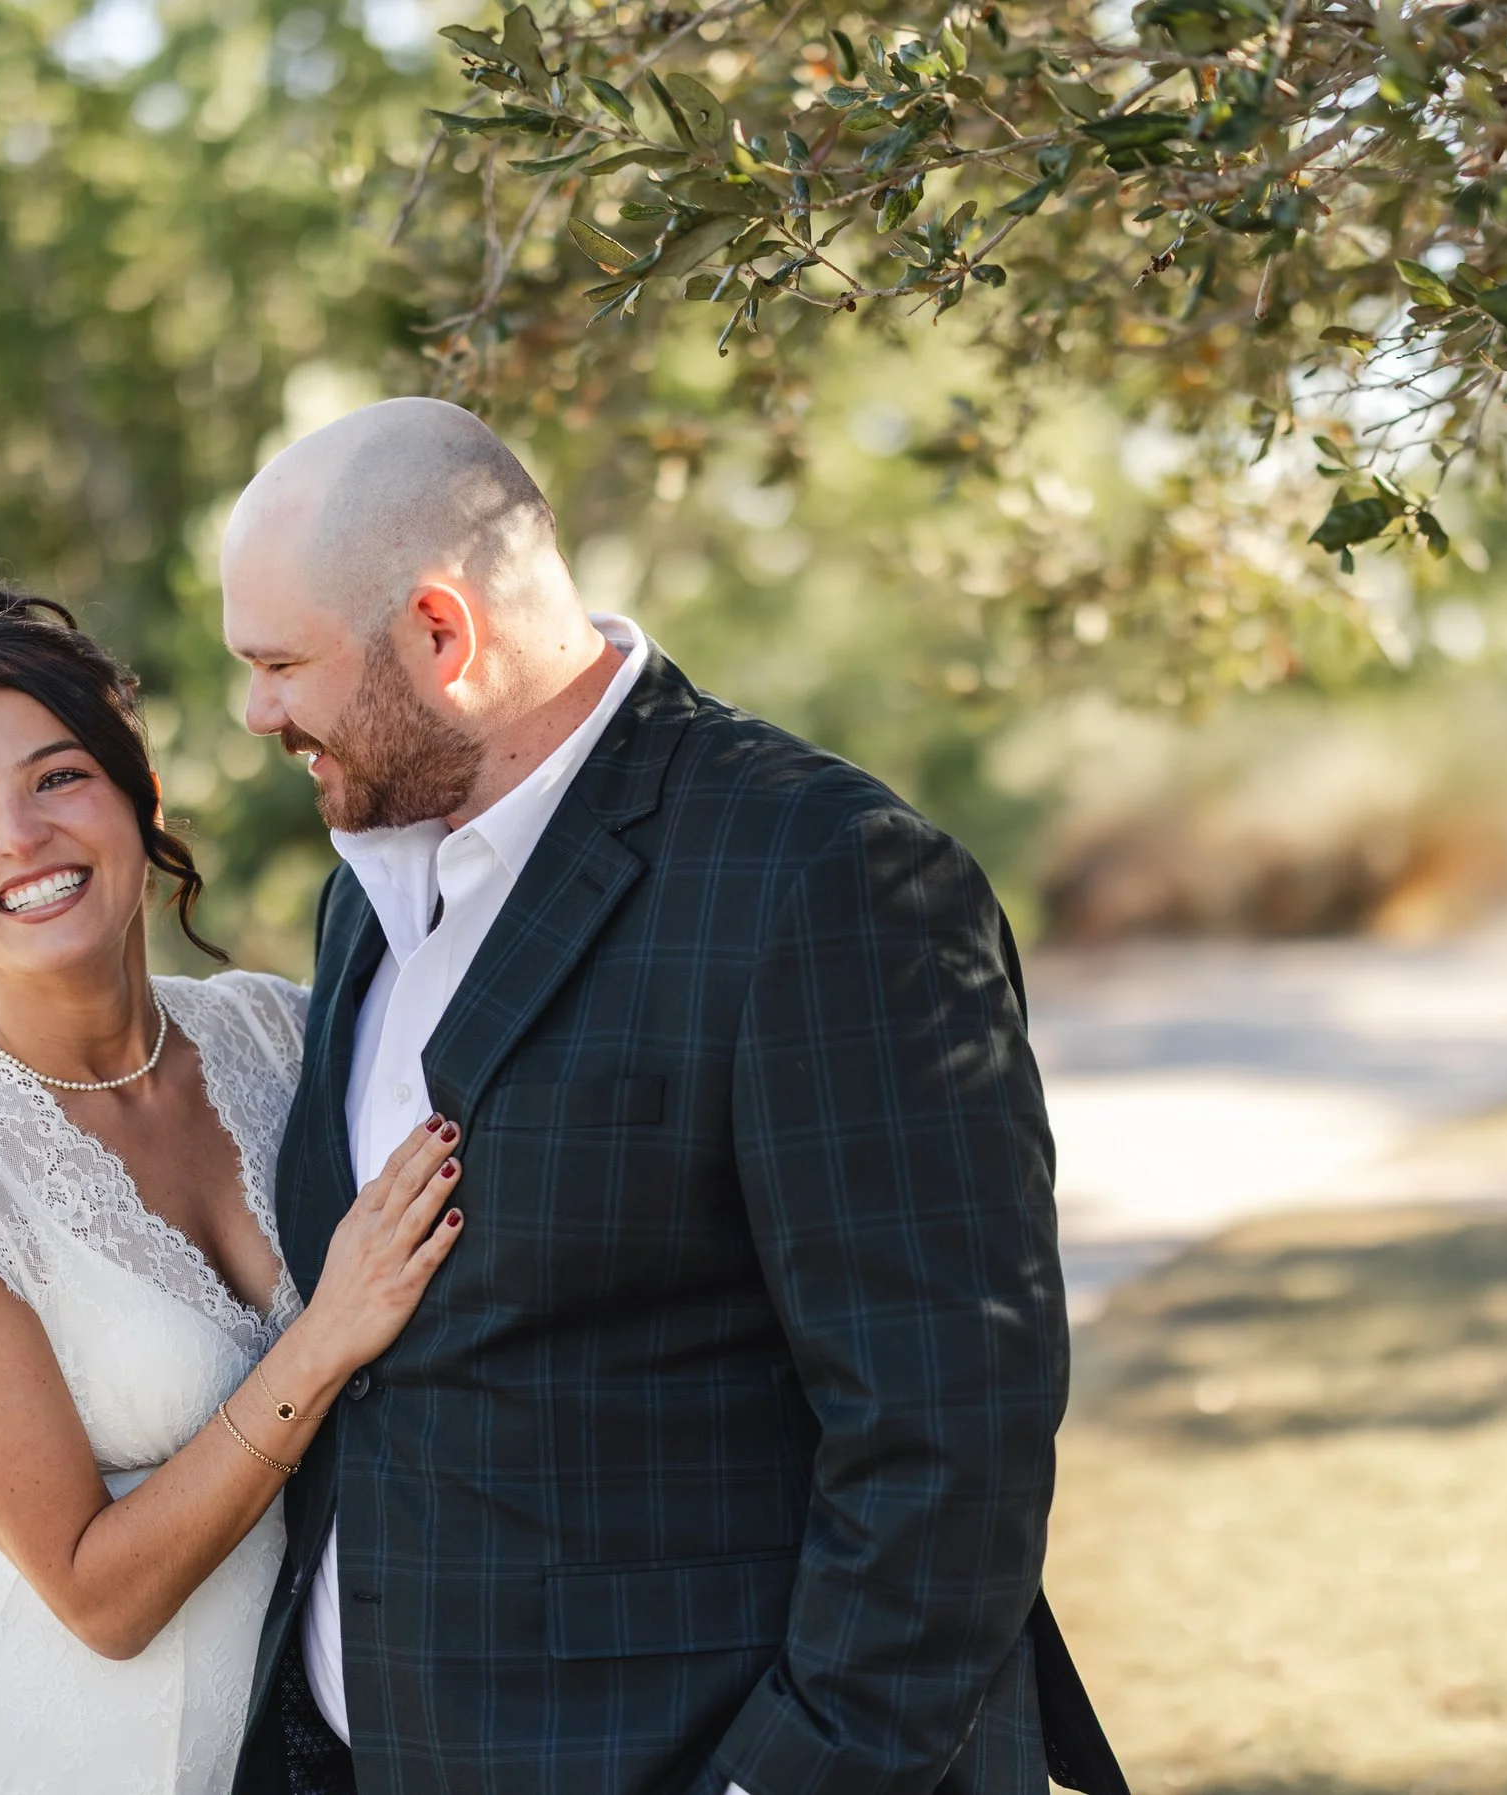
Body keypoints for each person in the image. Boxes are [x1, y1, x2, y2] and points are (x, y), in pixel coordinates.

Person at [220, 399, 1123, 1795]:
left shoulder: (829, 877)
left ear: (441, 633)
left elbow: (948, 1435)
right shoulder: (369, 894)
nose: (256, 711)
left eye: (281, 663)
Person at [0, 585, 467, 1795]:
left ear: (141, 798)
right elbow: (98, 1596)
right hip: (86, 1757)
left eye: (57, 778)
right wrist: (322, 1339)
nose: (18, 836)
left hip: (344, 1742)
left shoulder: (285, 1038)